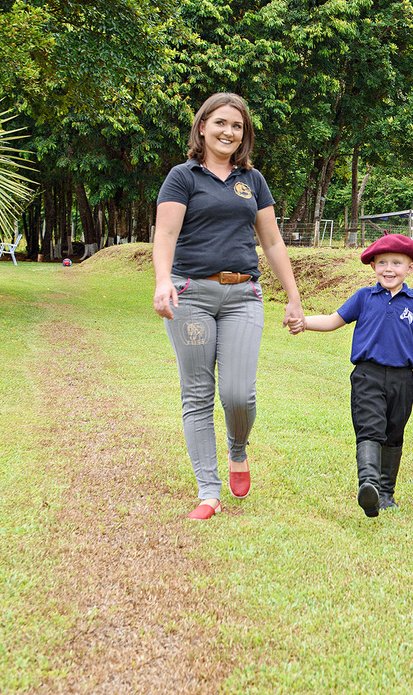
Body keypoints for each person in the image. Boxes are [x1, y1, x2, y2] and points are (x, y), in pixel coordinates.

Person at [153, 92, 304, 521]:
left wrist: (293, 297)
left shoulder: (252, 181)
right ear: (202, 127)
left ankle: (238, 449)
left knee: (239, 393)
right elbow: (165, 235)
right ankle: (208, 491)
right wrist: (162, 281)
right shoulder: (182, 177)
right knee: (197, 393)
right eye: (220, 123)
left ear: (244, 135)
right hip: (190, 296)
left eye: (237, 126)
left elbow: (271, 241)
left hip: (243, 297)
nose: (228, 132)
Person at [290, 233, 413, 517]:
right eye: (382, 262)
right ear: (373, 266)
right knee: (369, 427)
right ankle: (369, 484)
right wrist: (303, 323)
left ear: (410, 268)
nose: (389, 269)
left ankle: (385, 494)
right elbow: (333, 321)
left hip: (403, 380)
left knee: (394, 434)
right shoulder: (364, 297)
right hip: (367, 375)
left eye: (397, 263)